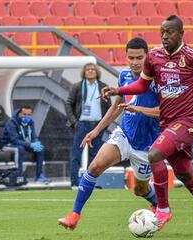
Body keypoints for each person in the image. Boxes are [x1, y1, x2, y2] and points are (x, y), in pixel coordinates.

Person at [102, 15, 193, 235]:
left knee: (154, 154)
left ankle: (162, 210)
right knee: (184, 173)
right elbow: (140, 85)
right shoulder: (154, 56)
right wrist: (118, 90)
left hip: (189, 120)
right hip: (168, 123)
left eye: (169, 32)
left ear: (181, 33)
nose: (165, 36)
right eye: (162, 32)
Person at [57, 37, 159, 231]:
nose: (135, 62)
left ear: (147, 56)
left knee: (140, 189)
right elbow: (116, 107)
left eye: (139, 57)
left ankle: (155, 203)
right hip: (125, 134)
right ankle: (74, 215)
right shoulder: (125, 75)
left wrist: (139, 110)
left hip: (147, 145)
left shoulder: (157, 79)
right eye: (131, 58)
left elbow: (166, 111)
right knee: (95, 166)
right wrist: (96, 131)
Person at [65, 63, 112, 188]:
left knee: (95, 156)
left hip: (97, 125)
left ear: (97, 72)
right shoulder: (77, 87)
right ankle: (74, 183)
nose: (90, 71)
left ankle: (89, 183)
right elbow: (68, 104)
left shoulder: (103, 87)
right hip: (81, 124)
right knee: (76, 154)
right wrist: (74, 122)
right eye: (88, 69)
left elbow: (109, 107)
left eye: (93, 69)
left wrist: (103, 125)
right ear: (84, 72)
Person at [0, 106, 50, 183]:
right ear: (19, 113)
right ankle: (19, 175)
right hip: (8, 145)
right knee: (20, 149)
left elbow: (33, 136)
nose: (27, 117)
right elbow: (14, 140)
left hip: (23, 144)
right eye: (24, 114)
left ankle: (39, 176)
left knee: (40, 149)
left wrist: (36, 142)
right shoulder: (12, 122)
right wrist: (30, 145)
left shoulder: (31, 122)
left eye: (29, 115)